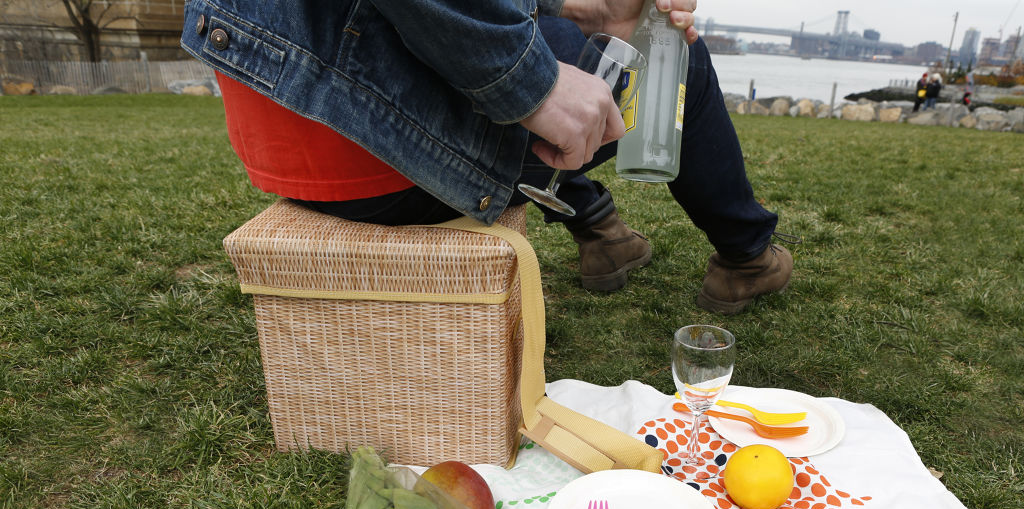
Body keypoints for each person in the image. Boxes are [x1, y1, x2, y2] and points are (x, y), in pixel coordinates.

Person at [181, 0, 791, 314]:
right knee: (674, 55)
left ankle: (600, 230)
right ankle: (745, 256)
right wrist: (531, 83)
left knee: (566, 69)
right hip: (378, 143)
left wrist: (577, 6)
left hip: (292, 136)